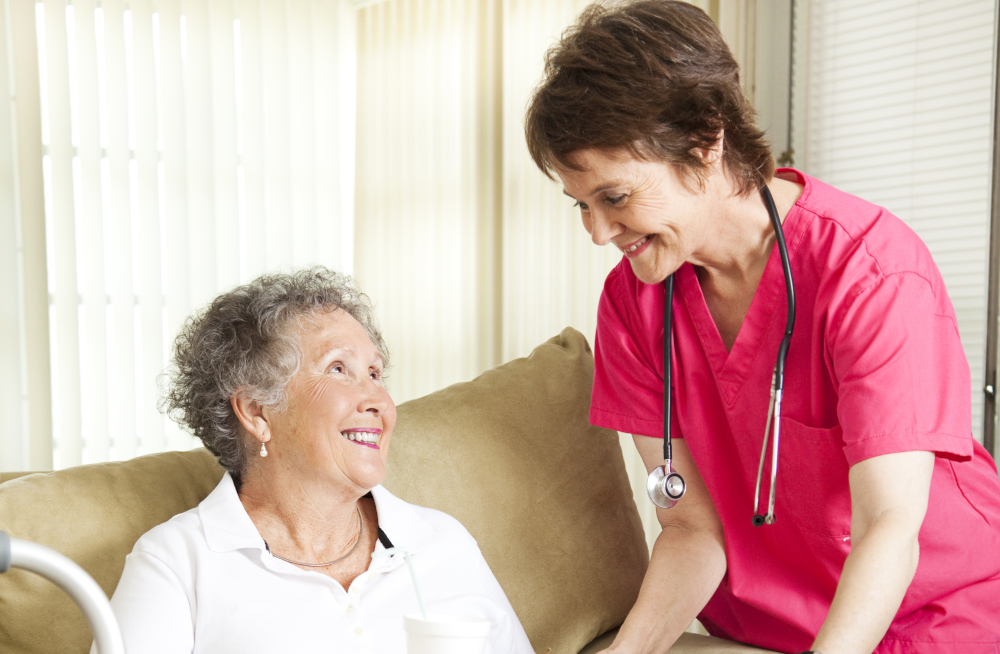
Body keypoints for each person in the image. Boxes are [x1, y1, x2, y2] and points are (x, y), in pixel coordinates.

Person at [524, 2, 1000, 654]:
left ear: (704, 140)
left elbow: (889, 524)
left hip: (935, 618)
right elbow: (692, 530)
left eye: (615, 198)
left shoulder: (872, 272)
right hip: (768, 634)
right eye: (581, 205)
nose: (599, 233)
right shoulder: (632, 304)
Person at [100, 267, 534, 654]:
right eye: (338, 368)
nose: (378, 400)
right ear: (257, 412)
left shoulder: (442, 542)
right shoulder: (176, 564)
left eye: (375, 373)